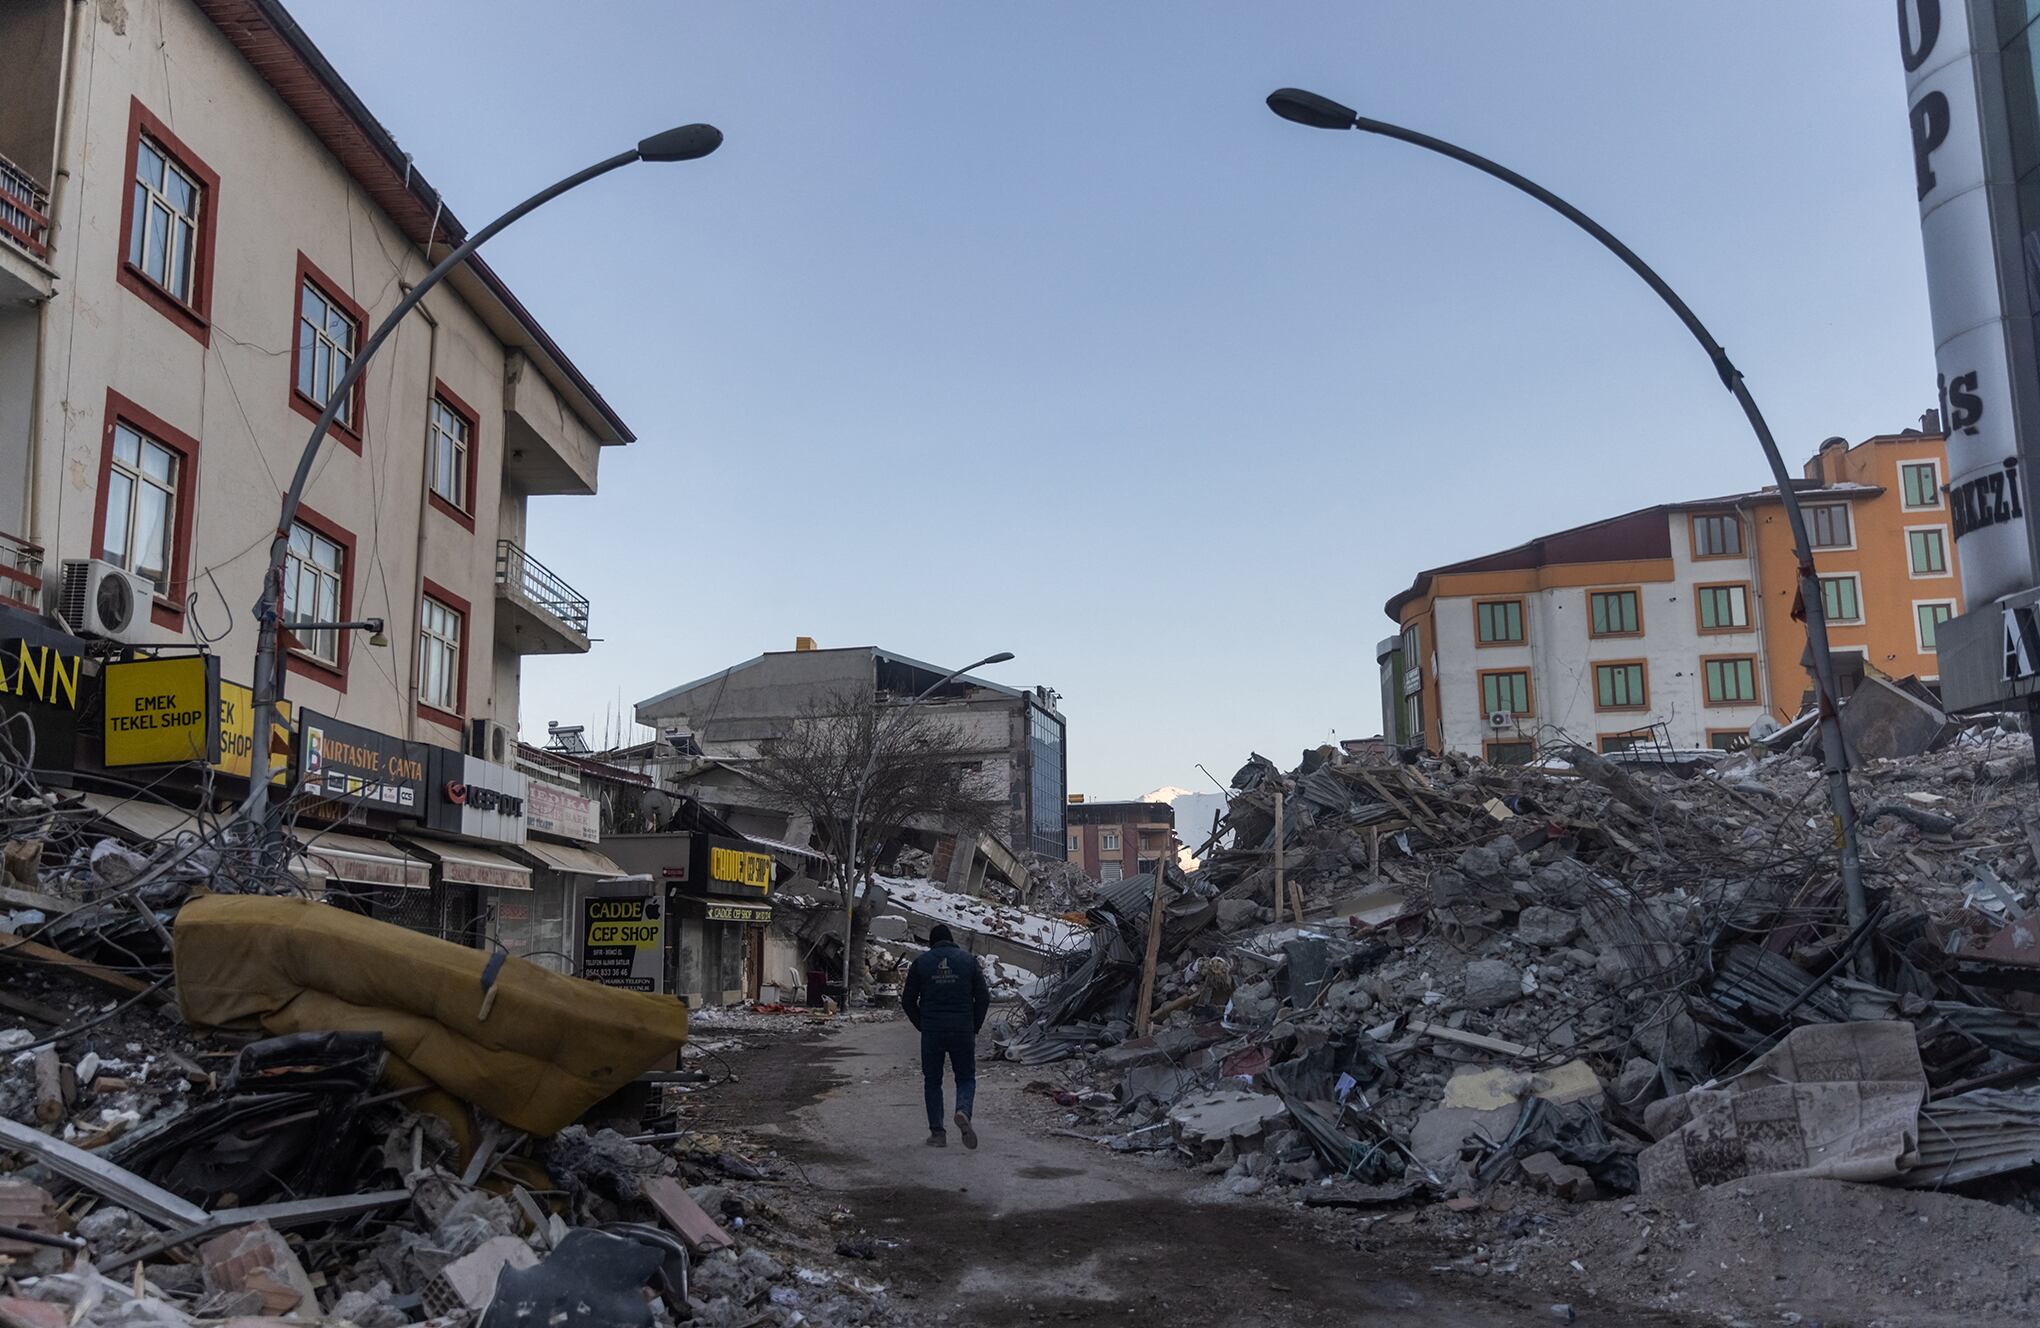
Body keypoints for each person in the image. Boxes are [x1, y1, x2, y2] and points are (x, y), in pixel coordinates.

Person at [900, 923, 990, 1148]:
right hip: (962, 1029)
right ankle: (962, 1110)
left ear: (932, 943)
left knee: (932, 1081)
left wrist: (922, 1024)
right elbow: (984, 997)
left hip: (932, 1031)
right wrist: (974, 1025)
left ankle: (938, 1134)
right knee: (966, 1077)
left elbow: (907, 1000)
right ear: (952, 940)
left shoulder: (921, 963)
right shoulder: (968, 961)